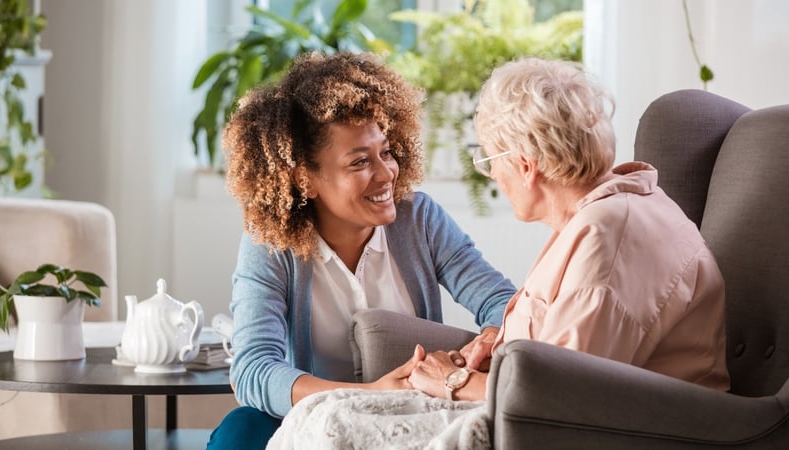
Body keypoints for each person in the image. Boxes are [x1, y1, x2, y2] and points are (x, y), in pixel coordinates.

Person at [264, 56, 730, 449]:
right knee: (322, 416)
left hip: (633, 431)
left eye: (489, 161)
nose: (491, 176)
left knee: (329, 427)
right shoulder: (598, 218)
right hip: (554, 412)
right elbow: (561, 356)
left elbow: (562, 401)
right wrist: (498, 345)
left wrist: (452, 381)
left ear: (525, 166)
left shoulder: (605, 240)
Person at [205, 51, 517, 450]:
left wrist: (489, 339)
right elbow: (253, 370)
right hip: (311, 421)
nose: (387, 173)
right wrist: (367, 393)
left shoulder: (419, 220)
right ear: (305, 178)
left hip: (407, 418)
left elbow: (501, 302)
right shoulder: (270, 243)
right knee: (241, 430)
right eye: (360, 162)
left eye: (385, 152)